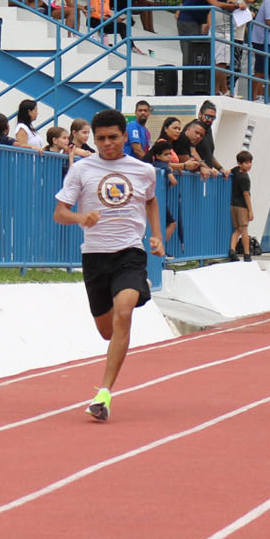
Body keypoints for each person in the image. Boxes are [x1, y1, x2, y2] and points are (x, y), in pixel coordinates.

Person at [55, 108, 165, 421]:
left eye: (113, 137)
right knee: (107, 331)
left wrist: (157, 237)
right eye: (101, 138)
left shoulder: (142, 170)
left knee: (124, 312)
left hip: (130, 253)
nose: (107, 144)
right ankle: (123, 304)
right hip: (95, 257)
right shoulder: (82, 170)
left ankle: (104, 392)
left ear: (123, 136)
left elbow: (151, 200)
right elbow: (59, 213)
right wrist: (80, 217)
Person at [148, 139, 179, 252]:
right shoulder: (164, 167)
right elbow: (174, 181)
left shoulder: (154, 165)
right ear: (157, 155)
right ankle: (162, 247)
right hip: (160, 200)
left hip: (154, 199)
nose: (169, 157)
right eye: (166, 154)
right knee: (172, 223)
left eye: (170, 154)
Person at [229, 150, 254, 261]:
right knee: (244, 231)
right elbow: (246, 194)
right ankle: (247, 254)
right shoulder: (245, 178)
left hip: (233, 205)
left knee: (238, 229)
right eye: (246, 163)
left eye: (250, 162)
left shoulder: (235, 170)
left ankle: (232, 249)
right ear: (240, 163)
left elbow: (229, 171)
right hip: (242, 206)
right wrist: (250, 210)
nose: (249, 165)